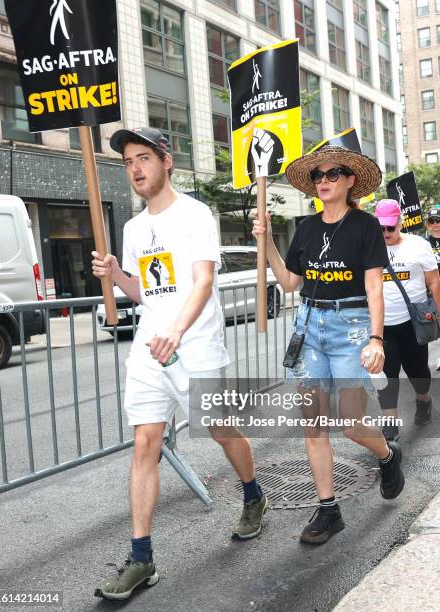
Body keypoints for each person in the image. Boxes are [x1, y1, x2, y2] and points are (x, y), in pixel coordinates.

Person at [92, 127, 267, 600]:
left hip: (197, 346)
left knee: (221, 431)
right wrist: (117, 276)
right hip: (150, 348)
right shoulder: (131, 228)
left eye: (143, 157)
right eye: (128, 161)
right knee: (145, 444)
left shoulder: (195, 214)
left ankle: (253, 495)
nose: (135, 169)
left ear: (165, 160)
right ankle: (142, 557)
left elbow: (203, 282)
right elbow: (143, 295)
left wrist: (178, 330)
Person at [252, 145, 404, 545]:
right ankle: (328, 509)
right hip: (309, 325)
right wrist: (265, 242)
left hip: (351, 326)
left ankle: (387, 457)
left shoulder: (366, 226)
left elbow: (374, 286)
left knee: (352, 424)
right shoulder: (305, 228)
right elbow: (288, 283)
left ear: (350, 181)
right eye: (318, 176)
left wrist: (376, 339)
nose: (323, 181)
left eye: (333, 173)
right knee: (314, 425)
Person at [373, 200, 440, 441]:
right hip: (382, 326)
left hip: (413, 323)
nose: (386, 233)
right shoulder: (369, 246)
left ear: (400, 222)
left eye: (390, 228)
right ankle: (390, 421)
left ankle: (424, 400)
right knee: (386, 374)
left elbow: (433, 281)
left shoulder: (418, 245)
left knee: (417, 371)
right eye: (381, 228)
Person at [426, 206, 440, 371]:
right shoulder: (424, 241)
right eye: (432, 221)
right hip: (433, 289)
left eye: (438, 220)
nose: (435, 224)